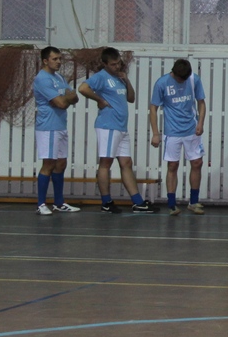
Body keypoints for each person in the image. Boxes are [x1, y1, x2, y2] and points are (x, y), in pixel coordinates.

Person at [76, 47, 153, 214]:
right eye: (113, 64)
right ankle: (106, 202)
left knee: (126, 163)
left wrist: (127, 81)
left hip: (121, 126)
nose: (117, 66)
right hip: (108, 125)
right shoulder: (101, 76)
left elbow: (131, 98)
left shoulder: (119, 78)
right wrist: (99, 100)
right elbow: (82, 88)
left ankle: (138, 202)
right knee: (106, 162)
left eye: (118, 63)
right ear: (105, 64)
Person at [148, 58, 207, 215]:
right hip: (172, 131)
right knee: (173, 165)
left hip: (191, 129)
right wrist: (155, 133)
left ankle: (193, 201)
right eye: (181, 79)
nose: (183, 81)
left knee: (197, 163)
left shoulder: (194, 79)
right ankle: (172, 204)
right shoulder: (162, 83)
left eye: (185, 78)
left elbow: (201, 102)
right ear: (173, 73)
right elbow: (153, 108)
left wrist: (201, 122)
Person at [32, 45, 80, 214]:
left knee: (61, 163)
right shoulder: (42, 79)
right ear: (45, 61)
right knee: (49, 164)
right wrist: (66, 99)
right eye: (55, 59)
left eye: (60, 58)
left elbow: (74, 97)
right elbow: (61, 103)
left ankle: (59, 202)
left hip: (60, 125)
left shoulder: (59, 77)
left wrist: (66, 98)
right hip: (48, 127)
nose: (59, 62)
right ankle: (41, 204)